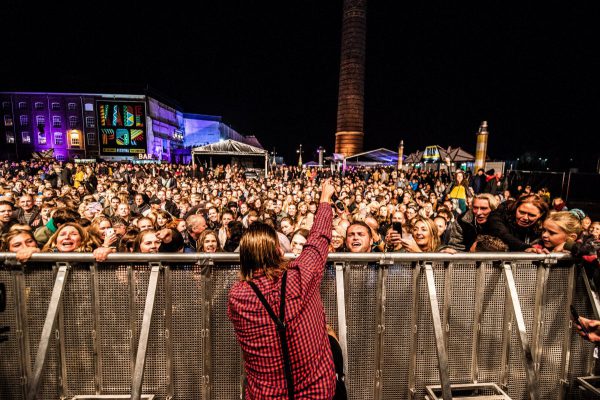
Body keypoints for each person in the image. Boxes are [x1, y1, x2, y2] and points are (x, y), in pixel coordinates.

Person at [228, 179, 336, 399]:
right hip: (315, 392)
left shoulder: (237, 296)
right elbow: (318, 241)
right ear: (278, 250)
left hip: (266, 394)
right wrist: (324, 200)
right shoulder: (299, 277)